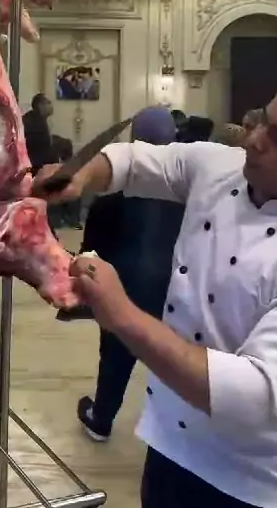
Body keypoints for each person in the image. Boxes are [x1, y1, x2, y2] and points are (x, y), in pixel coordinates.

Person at [33, 77, 277, 508]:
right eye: (264, 121)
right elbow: (136, 161)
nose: (255, 140)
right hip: (170, 445)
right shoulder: (221, 165)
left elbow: (253, 394)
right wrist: (82, 174)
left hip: (257, 482)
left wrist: (122, 314)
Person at [76, 107, 184, 441]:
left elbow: (90, 255)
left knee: (114, 358)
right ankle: (174, 430)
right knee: (174, 361)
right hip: (176, 294)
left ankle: (101, 418)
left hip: (124, 291)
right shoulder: (192, 197)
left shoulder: (109, 201)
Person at [22, 94, 56, 177]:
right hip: (33, 169)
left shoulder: (34, 118)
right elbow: (44, 149)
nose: (52, 106)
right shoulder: (36, 123)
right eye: (49, 103)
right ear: (41, 105)